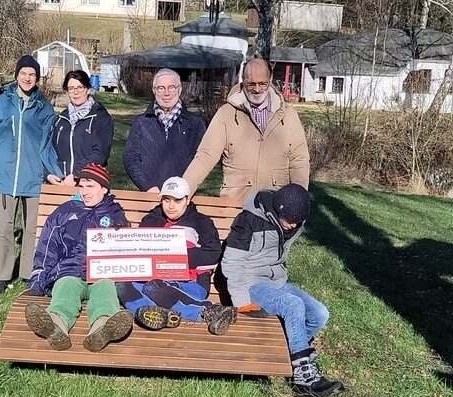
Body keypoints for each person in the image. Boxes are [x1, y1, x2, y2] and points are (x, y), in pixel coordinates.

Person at [221, 183, 343, 397]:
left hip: (276, 282)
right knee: (292, 305)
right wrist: (241, 301)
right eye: (288, 220)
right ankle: (302, 376)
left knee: (320, 314)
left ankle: (291, 354)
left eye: (297, 221)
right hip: (250, 283)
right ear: (276, 210)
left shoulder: (296, 222)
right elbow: (231, 262)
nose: (292, 225)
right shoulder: (249, 220)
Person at [0, 54, 62, 295]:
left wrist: (56, 173)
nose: (27, 78)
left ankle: (29, 273)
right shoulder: (1, 103)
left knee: (32, 229)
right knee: (4, 228)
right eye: (23, 73)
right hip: (4, 177)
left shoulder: (44, 108)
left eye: (32, 74)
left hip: (33, 177)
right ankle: (0, 274)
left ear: (37, 79)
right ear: (16, 76)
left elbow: (47, 146)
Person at [24, 163, 133, 352]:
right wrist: (37, 280)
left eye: (90, 186)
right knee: (65, 288)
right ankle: (55, 323)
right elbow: (47, 246)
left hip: (101, 274)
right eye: (81, 186)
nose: (84, 192)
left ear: (104, 188)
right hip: (69, 270)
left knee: (106, 290)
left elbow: (126, 251)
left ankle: (103, 327)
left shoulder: (115, 215)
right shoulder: (65, 212)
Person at [116, 177, 237, 335]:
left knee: (154, 288)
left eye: (177, 200)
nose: (171, 206)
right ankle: (151, 314)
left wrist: (177, 257)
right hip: (153, 280)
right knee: (121, 284)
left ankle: (208, 311)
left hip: (190, 282)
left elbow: (213, 255)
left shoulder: (201, 223)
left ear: (187, 200)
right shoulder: (150, 220)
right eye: (166, 200)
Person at [183, 58, 310, 199]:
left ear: (271, 79)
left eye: (263, 83)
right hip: (236, 203)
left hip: (276, 205)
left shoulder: (288, 115)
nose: (257, 89)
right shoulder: (226, 113)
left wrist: (298, 201)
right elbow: (206, 155)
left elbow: (300, 161)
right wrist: (183, 190)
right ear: (243, 80)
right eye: (251, 84)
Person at [123, 68, 205, 193]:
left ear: (179, 89)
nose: (166, 93)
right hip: (150, 194)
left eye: (171, 87)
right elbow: (130, 158)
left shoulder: (195, 123)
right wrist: (147, 186)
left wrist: (184, 188)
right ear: (154, 91)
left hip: (183, 196)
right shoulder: (141, 122)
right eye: (161, 88)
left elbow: (201, 160)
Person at [49, 70, 114, 187]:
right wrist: (49, 174)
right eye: (71, 88)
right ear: (67, 92)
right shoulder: (61, 119)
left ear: (88, 89)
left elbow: (100, 153)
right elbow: (51, 151)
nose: (76, 92)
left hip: (89, 184)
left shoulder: (100, 117)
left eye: (80, 87)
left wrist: (75, 174)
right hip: (62, 183)